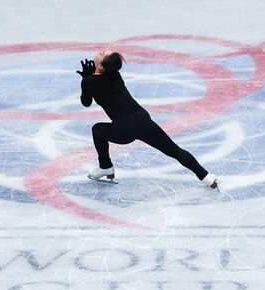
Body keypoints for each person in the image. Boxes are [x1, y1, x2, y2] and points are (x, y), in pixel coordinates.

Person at [77, 51, 218, 189]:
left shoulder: (90, 82)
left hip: (123, 129)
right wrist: (91, 76)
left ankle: (105, 167)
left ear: (101, 66)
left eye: (102, 54)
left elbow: (86, 102)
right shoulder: (116, 75)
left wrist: (85, 80)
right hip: (142, 119)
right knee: (174, 150)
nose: (100, 52)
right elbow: (103, 80)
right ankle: (206, 177)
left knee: (96, 130)